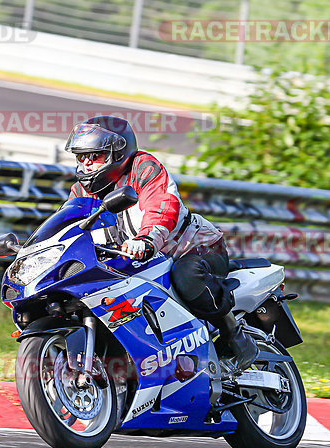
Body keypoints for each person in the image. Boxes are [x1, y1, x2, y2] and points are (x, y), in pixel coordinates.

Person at [64, 115, 257, 370]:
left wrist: (146, 239)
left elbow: (161, 206)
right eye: (81, 157)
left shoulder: (143, 168)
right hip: (140, 262)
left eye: (95, 156)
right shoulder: (81, 191)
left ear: (117, 153)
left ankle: (235, 337)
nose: (87, 164)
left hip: (192, 248)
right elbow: (69, 227)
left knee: (186, 277)